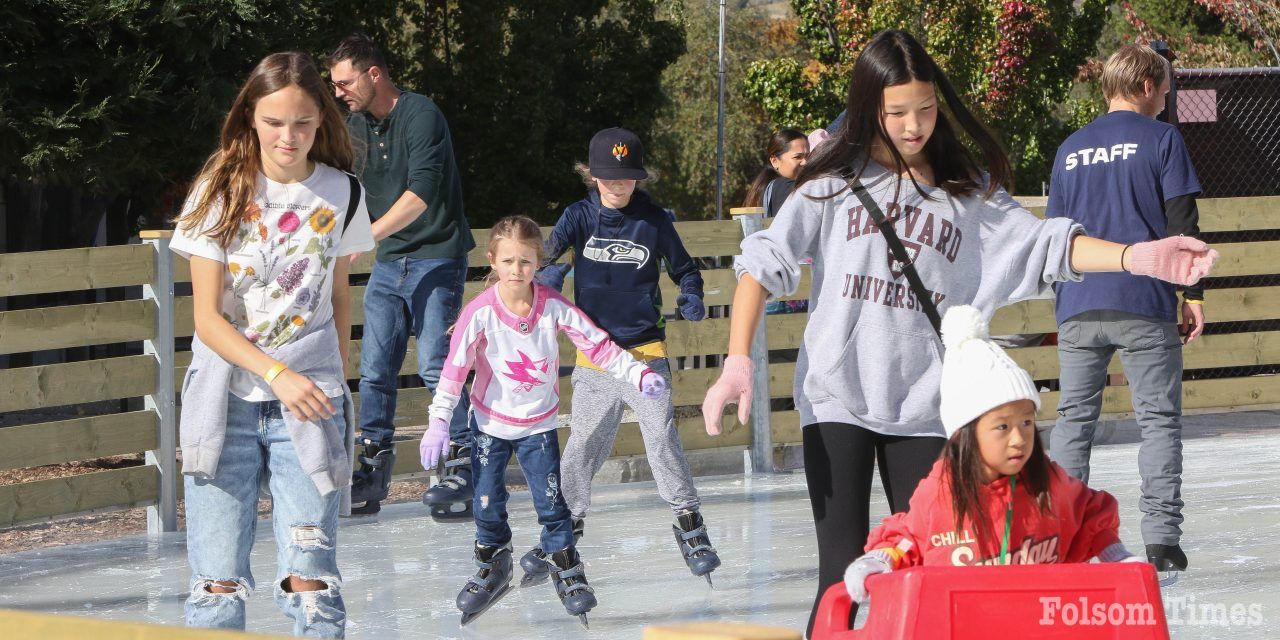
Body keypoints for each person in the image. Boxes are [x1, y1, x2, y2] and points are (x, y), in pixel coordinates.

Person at [699, 29, 1218, 637]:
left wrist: (1138, 257)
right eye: (896, 112)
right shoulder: (830, 183)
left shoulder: (965, 191)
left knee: (935, 568)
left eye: (924, 108)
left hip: (924, 404)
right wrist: (738, 360)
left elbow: (1045, 243)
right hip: (836, 398)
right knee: (839, 572)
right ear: (871, 108)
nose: (913, 125)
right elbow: (762, 265)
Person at [172, 51, 374, 637]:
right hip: (225, 404)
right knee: (217, 586)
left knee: (312, 584)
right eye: (274, 122)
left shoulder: (343, 194)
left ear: (323, 121)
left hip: (308, 405)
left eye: (304, 122)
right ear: (249, 120)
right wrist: (277, 373)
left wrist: (331, 381)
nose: (289, 136)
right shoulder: (220, 189)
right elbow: (208, 320)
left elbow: (338, 296)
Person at [423, 216, 668, 626]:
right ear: (493, 262)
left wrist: (638, 372)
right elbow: (454, 369)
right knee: (486, 503)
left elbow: (600, 345)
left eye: (525, 261)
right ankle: (492, 563)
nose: (516, 270)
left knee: (553, 504)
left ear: (538, 263)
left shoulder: (552, 306)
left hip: (538, 426)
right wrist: (438, 422)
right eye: (508, 261)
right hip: (489, 425)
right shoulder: (480, 313)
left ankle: (566, 566)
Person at [842, 306, 1145, 604]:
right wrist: (880, 558)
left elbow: (1090, 514)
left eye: (1026, 422)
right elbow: (909, 537)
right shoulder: (941, 492)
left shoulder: (1048, 483)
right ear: (966, 432)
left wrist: (1113, 554)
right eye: (1002, 426)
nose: (1019, 439)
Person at [527, 127, 722, 586]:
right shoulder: (578, 216)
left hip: (645, 356)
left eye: (628, 178)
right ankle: (563, 532)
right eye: (610, 178)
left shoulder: (653, 220)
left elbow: (686, 268)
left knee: (661, 438)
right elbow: (541, 257)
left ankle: (690, 526)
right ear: (592, 176)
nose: (619, 186)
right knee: (580, 449)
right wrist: (550, 273)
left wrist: (691, 294)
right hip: (596, 356)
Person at [1046, 44, 1204, 581]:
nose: (1166, 97)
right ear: (1143, 86)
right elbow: (1181, 219)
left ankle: (1060, 536)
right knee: (1158, 420)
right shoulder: (1162, 139)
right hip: (1144, 300)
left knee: (1073, 420)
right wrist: (1195, 296)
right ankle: (1161, 542)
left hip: (1079, 301)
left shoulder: (1069, 148)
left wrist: (1062, 307)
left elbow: (1056, 237)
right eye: (1163, 87)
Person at [327, 34, 476, 516]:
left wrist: (362, 241)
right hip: (391, 261)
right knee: (374, 369)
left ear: (374, 74)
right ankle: (372, 465)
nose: (339, 93)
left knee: (436, 361)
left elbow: (422, 193)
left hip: (437, 253)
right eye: (334, 85)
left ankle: (461, 461)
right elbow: (342, 183)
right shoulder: (354, 126)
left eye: (345, 82)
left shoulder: (421, 114)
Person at [743, 128, 810, 218]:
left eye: (808, 156)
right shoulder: (785, 187)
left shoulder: (765, 186)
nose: (805, 162)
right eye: (797, 157)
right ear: (774, 161)